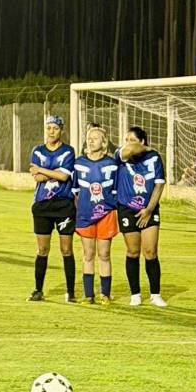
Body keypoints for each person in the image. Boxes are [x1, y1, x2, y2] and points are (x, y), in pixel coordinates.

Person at [27, 115, 77, 303]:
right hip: (42, 205)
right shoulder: (38, 151)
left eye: (55, 128)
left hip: (64, 205)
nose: (51, 131)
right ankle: (38, 290)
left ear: (61, 130)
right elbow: (36, 177)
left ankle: (70, 292)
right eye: (48, 128)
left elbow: (64, 177)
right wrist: (53, 173)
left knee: (66, 249)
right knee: (43, 249)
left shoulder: (68, 151)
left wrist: (43, 170)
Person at [116, 126, 168, 307]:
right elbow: (130, 150)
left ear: (143, 140)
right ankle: (135, 294)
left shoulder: (154, 158)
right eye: (126, 139)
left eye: (132, 139)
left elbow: (159, 186)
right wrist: (140, 146)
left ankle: (155, 294)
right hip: (126, 209)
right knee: (133, 251)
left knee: (150, 252)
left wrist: (149, 209)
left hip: (149, 209)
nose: (127, 143)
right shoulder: (121, 155)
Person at [72, 124, 119, 305]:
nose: (91, 141)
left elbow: (116, 191)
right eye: (89, 138)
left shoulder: (112, 165)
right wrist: (82, 210)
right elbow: (75, 192)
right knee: (88, 254)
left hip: (106, 214)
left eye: (95, 138)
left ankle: (105, 294)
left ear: (104, 142)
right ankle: (88, 295)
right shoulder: (79, 163)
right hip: (85, 215)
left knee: (104, 254)